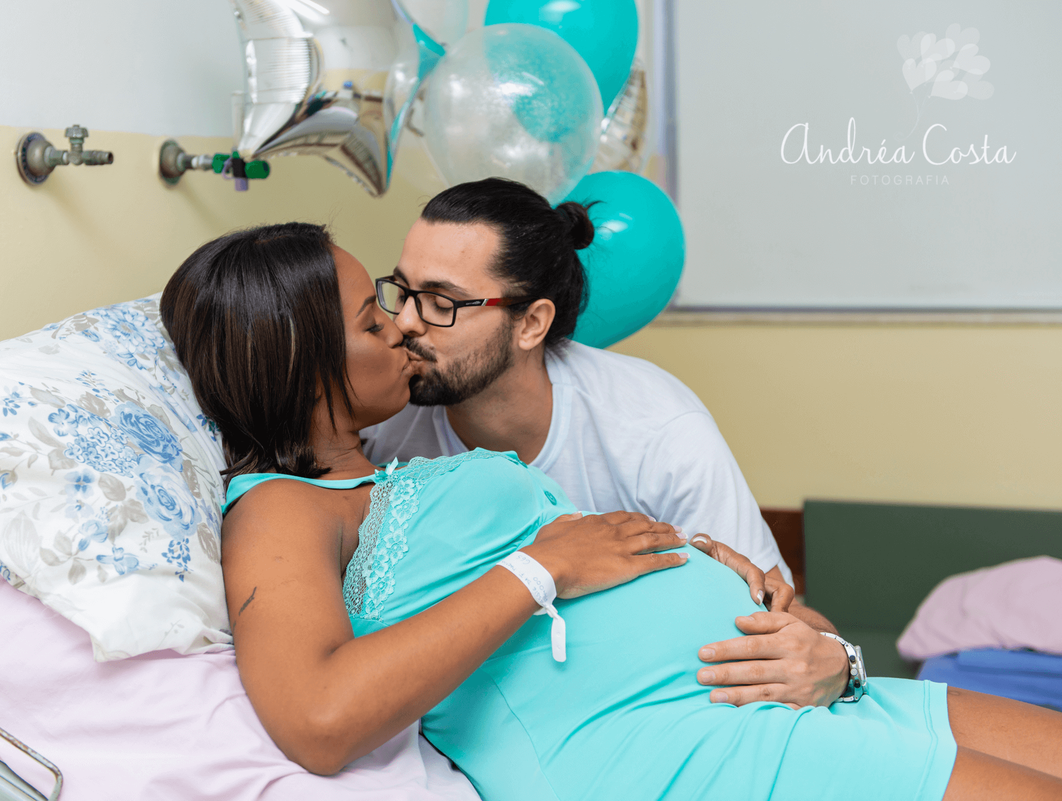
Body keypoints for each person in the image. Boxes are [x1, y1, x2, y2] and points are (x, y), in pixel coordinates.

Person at [159, 222, 1062, 800]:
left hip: (763, 694)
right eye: (372, 318)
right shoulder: (279, 506)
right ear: (300, 361)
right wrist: (544, 566)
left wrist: (710, 571)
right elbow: (317, 718)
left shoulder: (399, 457)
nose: (403, 326)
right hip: (668, 748)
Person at [361, 177, 844, 708]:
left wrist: (841, 661)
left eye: (440, 302)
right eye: (402, 292)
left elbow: (783, 620)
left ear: (532, 323)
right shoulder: (381, 416)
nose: (404, 322)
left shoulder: (656, 428)